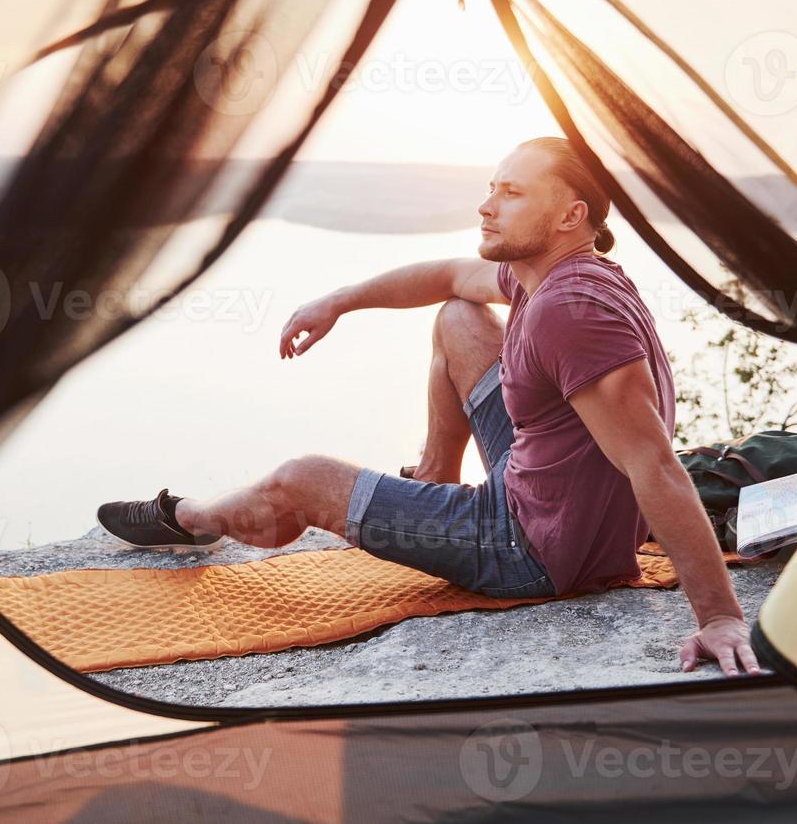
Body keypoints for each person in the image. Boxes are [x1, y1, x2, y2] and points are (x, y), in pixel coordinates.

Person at [97, 137, 759, 676]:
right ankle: (435, 475)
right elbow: (446, 277)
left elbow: (653, 463)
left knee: (301, 481)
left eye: (512, 192)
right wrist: (339, 300)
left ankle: (190, 518)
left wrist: (719, 617)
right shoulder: (544, 275)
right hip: (541, 484)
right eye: (492, 187)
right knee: (459, 318)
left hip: (532, 548)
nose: (486, 206)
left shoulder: (571, 312)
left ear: (569, 217)